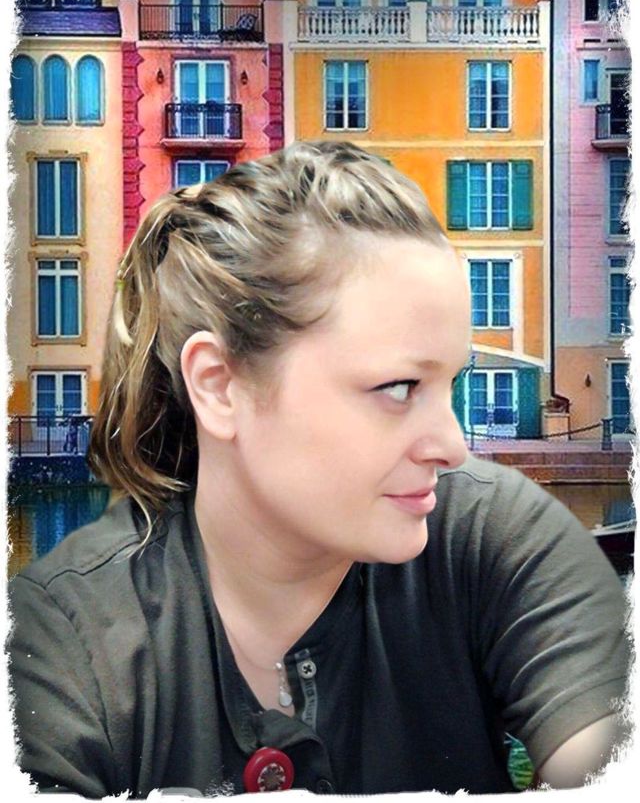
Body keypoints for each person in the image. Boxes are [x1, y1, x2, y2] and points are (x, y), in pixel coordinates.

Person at [8, 142, 630, 798]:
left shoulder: (494, 538)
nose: (451, 446)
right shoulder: (59, 642)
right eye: (397, 387)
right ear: (220, 386)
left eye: (450, 384)